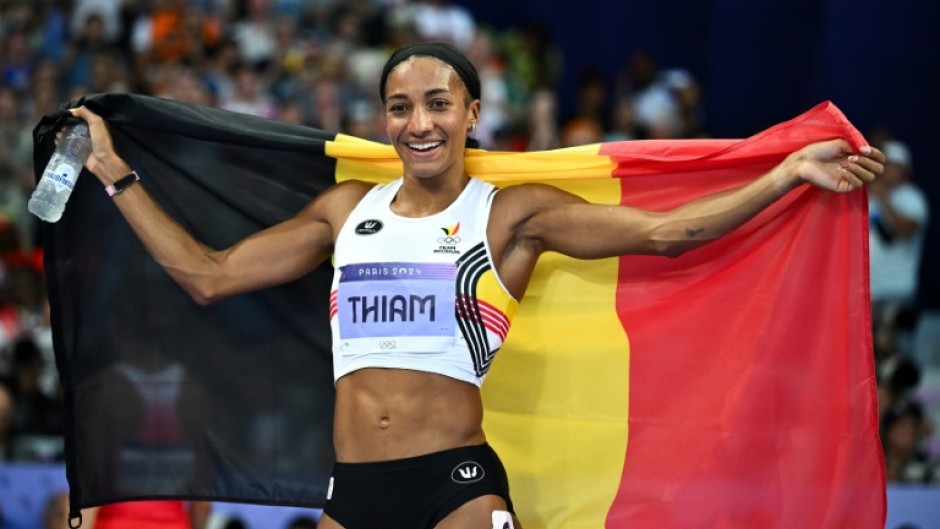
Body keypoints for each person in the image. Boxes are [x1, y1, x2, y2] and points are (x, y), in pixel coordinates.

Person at [67, 42, 884, 529]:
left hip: (455, 485)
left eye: (435, 103)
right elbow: (207, 277)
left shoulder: (511, 215)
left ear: (470, 113)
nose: (416, 121)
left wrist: (784, 173)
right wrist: (112, 172)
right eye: (399, 106)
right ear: (385, 119)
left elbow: (670, 235)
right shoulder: (346, 209)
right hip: (351, 488)